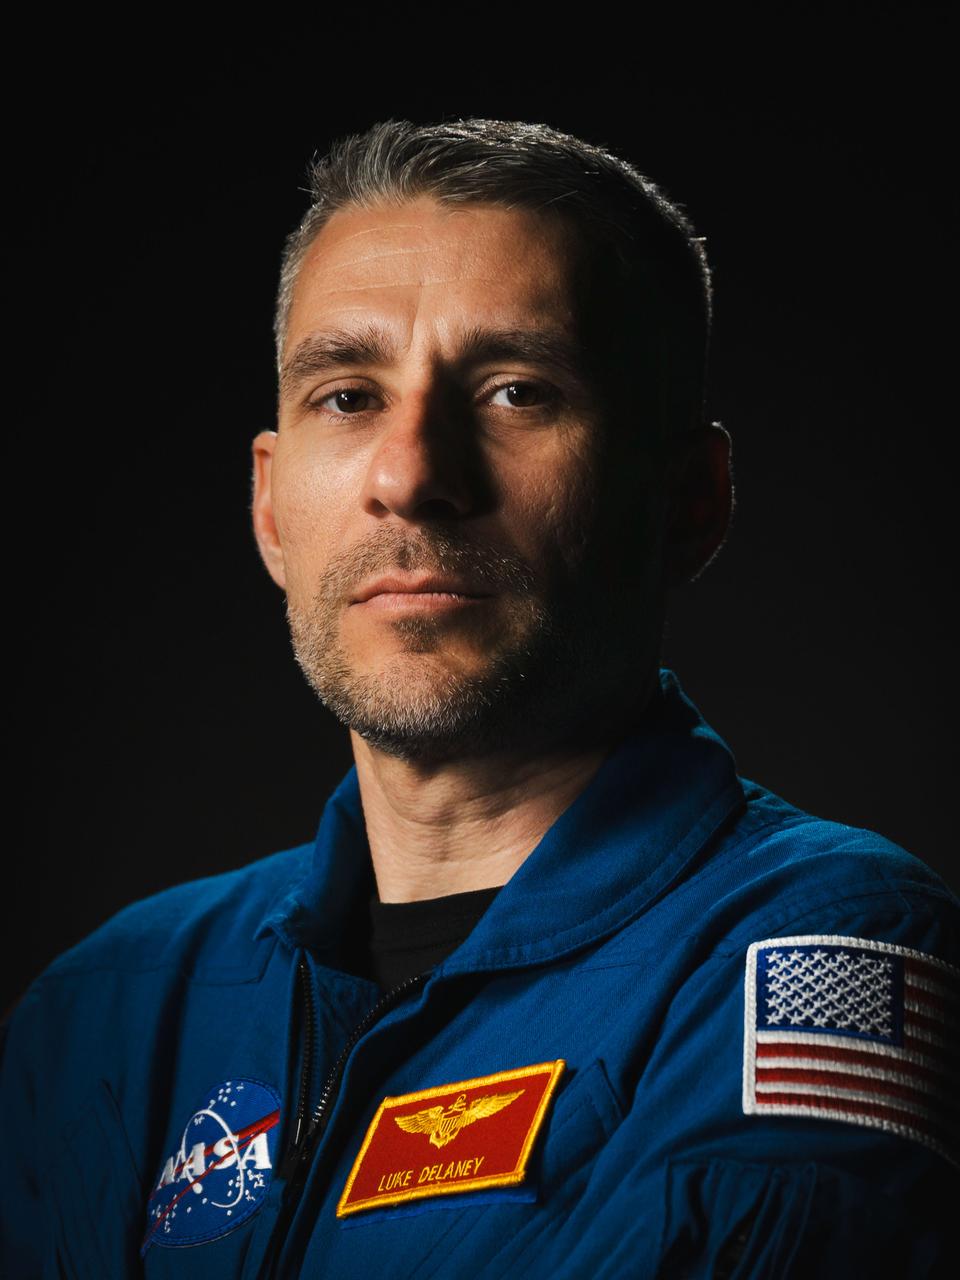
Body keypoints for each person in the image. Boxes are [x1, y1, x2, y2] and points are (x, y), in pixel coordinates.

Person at [2, 117, 956, 1279]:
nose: (411, 477)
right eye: (348, 395)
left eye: (516, 390)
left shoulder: (815, 951)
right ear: (269, 508)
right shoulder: (108, 1008)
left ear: (689, 501)